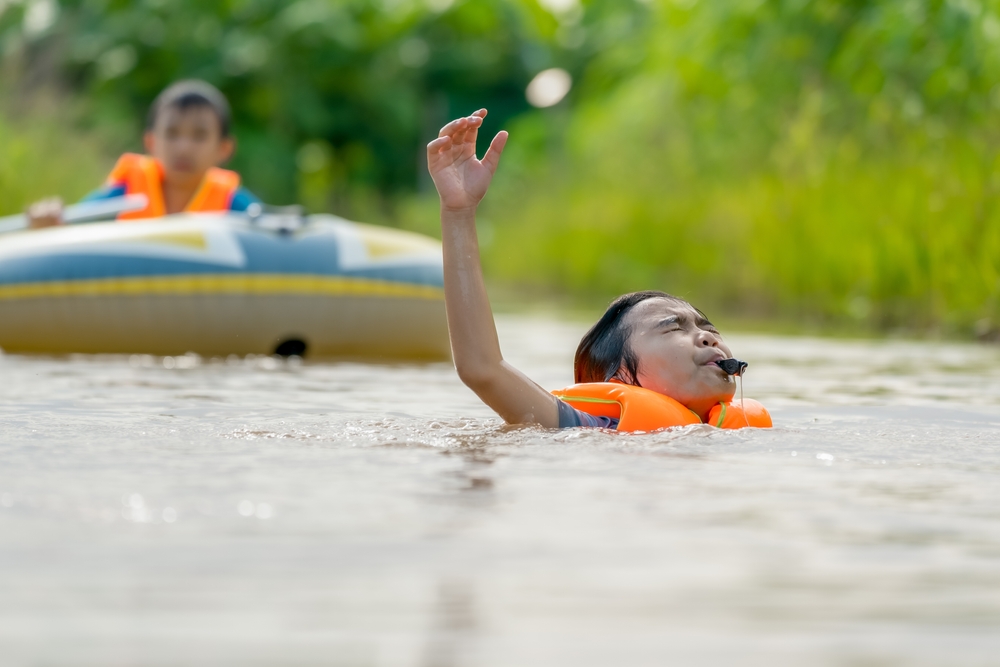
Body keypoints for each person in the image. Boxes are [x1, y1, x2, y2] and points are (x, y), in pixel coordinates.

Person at [426, 109, 771, 431]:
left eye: (708, 328)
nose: (709, 337)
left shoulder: (740, 433)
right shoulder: (594, 429)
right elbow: (482, 368)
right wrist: (459, 213)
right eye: (672, 328)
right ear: (619, 377)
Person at [28, 80, 260, 229]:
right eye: (171, 134)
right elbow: (70, 223)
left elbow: (277, 233)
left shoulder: (234, 203)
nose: (183, 148)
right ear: (151, 142)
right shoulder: (124, 196)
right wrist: (50, 221)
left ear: (224, 149)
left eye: (199, 136)